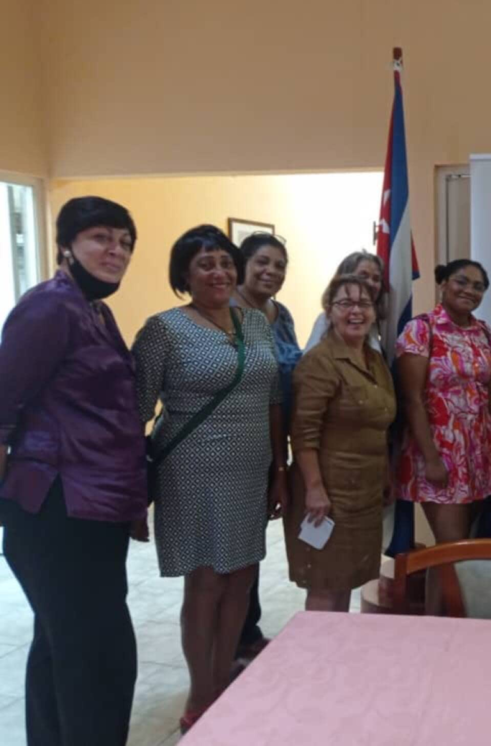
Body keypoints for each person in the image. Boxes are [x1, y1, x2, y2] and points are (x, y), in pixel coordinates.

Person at [0, 197, 145, 746]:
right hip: (56, 509)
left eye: (125, 242)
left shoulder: (93, 310)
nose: (116, 251)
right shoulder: (49, 308)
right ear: (66, 245)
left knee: (62, 647)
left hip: (94, 508)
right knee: (100, 660)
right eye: (101, 238)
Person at [133, 225, 288, 733]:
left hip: (250, 469)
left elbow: (272, 399)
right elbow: (135, 412)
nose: (218, 272)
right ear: (184, 275)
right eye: (205, 264)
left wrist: (279, 471)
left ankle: (225, 679)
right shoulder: (163, 330)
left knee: (241, 577)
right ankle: (202, 693)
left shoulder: (256, 323)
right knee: (206, 582)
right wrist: (132, 493)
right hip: (192, 472)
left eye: (225, 262)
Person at [395, 259, 491, 614]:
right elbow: (412, 399)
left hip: (479, 453)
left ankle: (441, 622)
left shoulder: (483, 333)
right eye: (462, 281)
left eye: (478, 286)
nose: (469, 290)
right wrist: (431, 458)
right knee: (451, 547)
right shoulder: (421, 329)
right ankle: (440, 627)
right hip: (439, 453)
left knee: (459, 550)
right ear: (443, 282)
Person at [286, 273, 395, 610]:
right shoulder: (319, 362)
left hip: (365, 491)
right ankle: (319, 646)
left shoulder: (374, 360)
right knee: (324, 582)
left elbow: (379, 424)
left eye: (364, 303)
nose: (356, 311)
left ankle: (337, 645)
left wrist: (386, 476)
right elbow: (303, 432)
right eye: (345, 303)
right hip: (328, 493)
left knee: (346, 579)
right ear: (329, 311)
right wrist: (314, 488)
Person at [231, 232, 303, 662]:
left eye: (279, 265)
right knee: (231, 551)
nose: (271, 271)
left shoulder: (281, 314)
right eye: (262, 262)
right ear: (242, 264)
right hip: (234, 447)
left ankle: (246, 629)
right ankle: (228, 642)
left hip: (274, 444)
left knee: (250, 546)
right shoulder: (226, 313)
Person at [304, 251, 385, 351]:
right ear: (345, 278)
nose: (370, 283)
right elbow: (311, 358)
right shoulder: (326, 320)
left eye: (376, 279)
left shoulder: (371, 324)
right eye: (363, 276)